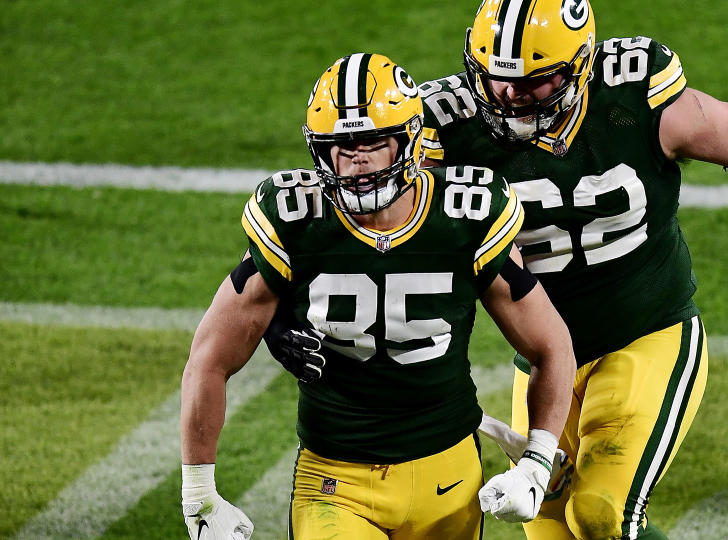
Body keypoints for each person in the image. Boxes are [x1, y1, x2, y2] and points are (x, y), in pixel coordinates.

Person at [268, 1, 728, 538]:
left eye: (534, 79)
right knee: (549, 529)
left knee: (600, 514)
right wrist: (286, 311)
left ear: (582, 65)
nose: (508, 94)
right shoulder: (442, 129)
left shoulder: (636, 95)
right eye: (495, 76)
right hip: (543, 359)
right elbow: (345, 207)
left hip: (647, 334)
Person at [179, 52, 577, 540]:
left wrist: (536, 465)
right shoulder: (294, 218)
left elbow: (551, 344)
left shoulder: (466, 212)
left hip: (448, 474)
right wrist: (199, 493)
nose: (357, 158)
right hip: (335, 480)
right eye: (340, 146)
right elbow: (209, 356)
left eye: (371, 141)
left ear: (408, 140)